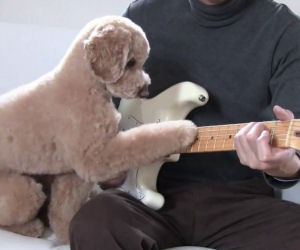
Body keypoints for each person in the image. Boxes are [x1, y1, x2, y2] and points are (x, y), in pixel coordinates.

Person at [70, 0, 300, 249]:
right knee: (95, 220)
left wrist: (284, 166)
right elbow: (100, 111)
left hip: (243, 203)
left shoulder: (285, 31)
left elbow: (292, 144)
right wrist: (107, 162)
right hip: (145, 201)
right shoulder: (142, 14)